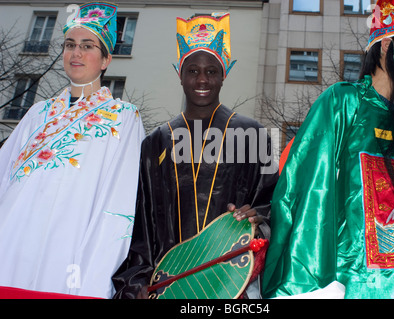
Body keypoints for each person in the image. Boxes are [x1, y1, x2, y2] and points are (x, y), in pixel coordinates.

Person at [262, 0, 394, 299]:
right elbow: (309, 191)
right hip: (347, 285)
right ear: (389, 45)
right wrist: (308, 284)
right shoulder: (343, 102)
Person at [112, 13, 278, 299]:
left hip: (232, 283)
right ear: (180, 75)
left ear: (223, 75)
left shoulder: (253, 133)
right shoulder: (155, 142)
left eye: (211, 71)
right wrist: (137, 282)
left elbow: (275, 204)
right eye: (193, 70)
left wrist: (257, 220)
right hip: (167, 284)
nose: (202, 79)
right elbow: (141, 224)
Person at [0, 2, 145, 299]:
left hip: (69, 260)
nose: (76, 53)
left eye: (87, 46)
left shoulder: (124, 116)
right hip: (10, 246)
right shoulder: (38, 112)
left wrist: (94, 271)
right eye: (70, 45)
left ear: (105, 59)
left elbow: (120, 202)